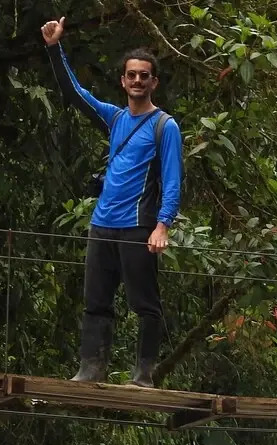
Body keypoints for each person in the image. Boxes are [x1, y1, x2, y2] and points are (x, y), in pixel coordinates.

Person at [42, 16, 183, 388]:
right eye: (131, 75)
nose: (137, 81)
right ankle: (91, 368)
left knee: (144, 303)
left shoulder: (164, 126)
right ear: (123, 81)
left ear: (154, 82)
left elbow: (172, 180)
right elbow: (75, 94)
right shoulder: (115, 118)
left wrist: (163, 225)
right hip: (102, 223)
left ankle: (144, 374)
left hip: (137, 226)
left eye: (144, 76)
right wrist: (54, 48)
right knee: (95, 301)